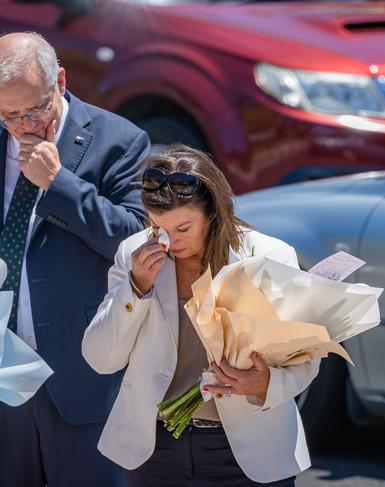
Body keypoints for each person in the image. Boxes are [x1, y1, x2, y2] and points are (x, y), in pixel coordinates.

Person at [0, 32, 150, 486]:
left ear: (60, 81)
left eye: (37, 109)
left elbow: (135, 242)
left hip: (83, 379)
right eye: (10, 115)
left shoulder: (119, 142)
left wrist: (59, 184)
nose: (26, 124)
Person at [82, 145, 321, 486]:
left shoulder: (269, 255)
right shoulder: (132, 254)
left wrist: (266, 383)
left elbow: (305, 358)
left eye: (183, 228)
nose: (169, 242)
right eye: (157, 228)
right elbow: (101, 358)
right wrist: (135, 288)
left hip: (248, 453)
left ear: (213, 212)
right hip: (156, 451)